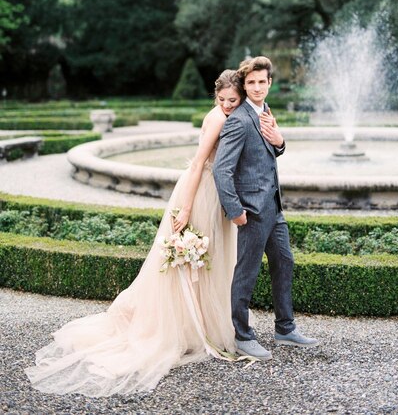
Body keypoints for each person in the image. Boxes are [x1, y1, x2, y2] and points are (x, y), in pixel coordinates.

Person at [25, 70, 245, 396]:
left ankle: (196, 322)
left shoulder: (231, 115)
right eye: (222, 99)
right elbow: (200, 163)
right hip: (200, 191)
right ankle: (188, 327)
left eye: (233, 101)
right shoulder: (216, 119)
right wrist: (185, 208)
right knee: (191, 260)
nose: (227, 105)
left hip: (208, 189)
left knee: (203, 260)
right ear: (216, 96)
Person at [213, 56, 318, 361]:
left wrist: (281, 142)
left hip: (274, 206)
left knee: (284, 262)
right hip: (252, 211)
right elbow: (222, 170)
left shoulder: (265, 111)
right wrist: (235, 209)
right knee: (246, 273)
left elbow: (270, 150)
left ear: (270, 83)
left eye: (262, 82)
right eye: (251, 83)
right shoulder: (238, 120)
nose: (257, 87)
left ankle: (285, 328)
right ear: (245, 87)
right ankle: (242, 335)